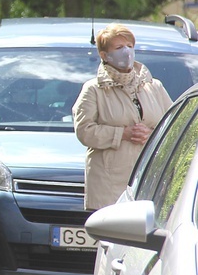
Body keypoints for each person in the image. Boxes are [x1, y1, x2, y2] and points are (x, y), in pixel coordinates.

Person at [73, 23, 172, 210]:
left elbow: (173, 127)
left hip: (149, 179)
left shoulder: (153, 86)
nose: (126, 52)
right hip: (109, 183)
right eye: (119, 48)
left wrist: (150, 135)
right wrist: (122, 134)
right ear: (104, 55)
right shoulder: (94, 89)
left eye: (129, 46)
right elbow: (84, 131)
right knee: (111, 237)